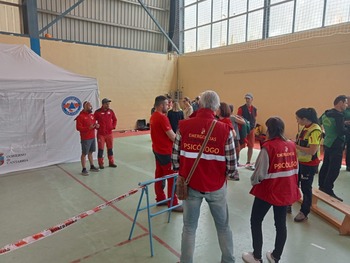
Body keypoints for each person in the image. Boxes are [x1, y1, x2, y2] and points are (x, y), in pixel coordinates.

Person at [172, 90, 236, 263]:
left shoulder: (184, 126)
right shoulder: (225, 130)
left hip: (191, 184)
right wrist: (227, 175)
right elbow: (232, 164)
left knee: (189, 228)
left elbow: (175, 157)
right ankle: (228, 260)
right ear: (216, 108)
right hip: (216, 187)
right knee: (223, 227)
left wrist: (182, 173)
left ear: (199, 105)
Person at [242, 117, 300, 263]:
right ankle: (276, 256)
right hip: (285, 190)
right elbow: (295, 167)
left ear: (270, 130)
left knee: (256, 220)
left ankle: (256, 256)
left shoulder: (268, 147)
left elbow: (259, 174)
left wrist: (253, 182)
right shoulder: (292, 145)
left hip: (268, 191)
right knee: (280, 224)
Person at [150, 95, 182, 211]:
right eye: (167, 104)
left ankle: (160, 198)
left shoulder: (153, 116)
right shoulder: (162, 118)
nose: (168, 106)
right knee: (171, 177)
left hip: (157, 150)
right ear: (161, 105)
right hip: (165, 151)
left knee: (159, 175)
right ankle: (172, 203)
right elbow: (172, 136)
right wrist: (183, 143)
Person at [293, 108, 322, 222]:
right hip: (300, 162)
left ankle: (304, 212)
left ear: (304, 119)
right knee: (294, 182)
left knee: (306, 188)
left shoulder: (315, 131)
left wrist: (296, 146)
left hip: (309, 164)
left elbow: (312, 151)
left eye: (298, 119)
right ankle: (289, 204)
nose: (297, 121)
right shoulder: (305, 127)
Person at [318, 95, 349, 202]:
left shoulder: (327, 113)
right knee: (334, 168)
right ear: (340, 103)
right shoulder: (339, 116)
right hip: (336, 144)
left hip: (328, 142)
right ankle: (328, 189)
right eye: (345, 103)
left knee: (326, 164)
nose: (346, 105)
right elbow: (341, 132)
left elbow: (319, 122)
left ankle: (321, 186)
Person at [75, 101, 100, 176]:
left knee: (91, 152)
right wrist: (88, 128)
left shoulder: (92, 115)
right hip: (85, 138)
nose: (91, 107)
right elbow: (78, 128)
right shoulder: (80, 116)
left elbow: (93, 124)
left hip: (92, 137)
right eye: (89, 106)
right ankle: (84, 169)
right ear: (85, 107)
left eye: (91, 106)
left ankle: (92, 166)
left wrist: (96, 126)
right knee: (84, 153)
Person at [94, 98, 118, 169]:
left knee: (110, 149)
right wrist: (96, 126)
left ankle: (111, 162)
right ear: (103, 104)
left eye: (108, 104)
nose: (108, 105)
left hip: (109, 134)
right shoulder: (97, 112)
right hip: (101, 134)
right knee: (101, 149)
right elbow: (93, 120)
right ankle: (101, 164)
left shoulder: (111, 111)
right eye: (107, 104)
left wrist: (113, 126)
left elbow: (115, 119)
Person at [217, 102, 239, 181]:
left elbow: (234, 134)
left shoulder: (226, 121)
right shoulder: (219, 120)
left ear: (221, 110)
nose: (216, 110)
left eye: (218, 108)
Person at [237, 93, 257, 169]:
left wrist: (254, 126)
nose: (247, 100)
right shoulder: (241, 108)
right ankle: (236, 160)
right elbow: (238, 118)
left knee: (251, 146)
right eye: (246, 99)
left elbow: (255, 118)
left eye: (248, 98)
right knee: (241, 145)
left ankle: (248, 162)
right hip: (244, 130)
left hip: (251, 130)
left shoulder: (254, 109)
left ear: (252, 99)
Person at [344, 96, 350, 171]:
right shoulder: (344, 111)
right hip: (346, 130)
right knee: (348, 148)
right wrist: (345, 122)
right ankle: (348, 165)